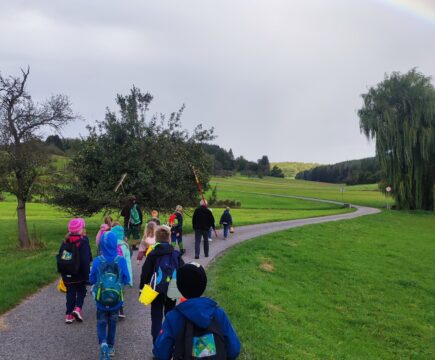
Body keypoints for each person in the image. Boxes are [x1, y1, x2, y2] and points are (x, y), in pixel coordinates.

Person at [153, 262, 241, 360]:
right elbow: (234, 350)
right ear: (204, 284)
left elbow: (161, 353)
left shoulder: (173, 317)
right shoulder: (218, 313)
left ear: (179, 286)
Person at [139, 225, 184, 344]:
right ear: (169, 238)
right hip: (172, 289)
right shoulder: (175, 254)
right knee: (170, 315)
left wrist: (142, 288)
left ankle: (157, 346)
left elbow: (145, 273)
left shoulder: (153, 254)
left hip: (156, 289)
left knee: (156, 316)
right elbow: (183, 270)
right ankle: (169, 345)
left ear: (157, 239)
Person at [90, 232, 130, 359]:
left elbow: (91, 279)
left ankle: (103, 344)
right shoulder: (121, 260)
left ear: (101, 245)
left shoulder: (97, 260)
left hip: (101, 300)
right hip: (116, 300)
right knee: (113, 323)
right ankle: (111, 346)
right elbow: (127, 279)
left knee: (101, 322)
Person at [57, 218, 92, 324]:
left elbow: (61, 257)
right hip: (79, 273)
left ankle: (68, 315)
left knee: (70, 293)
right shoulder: (83, 241)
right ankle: (77, 309)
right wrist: (87, 276)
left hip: (67, 273)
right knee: (82, 291)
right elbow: (86, 260)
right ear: (81, 229)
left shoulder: (65, 241)